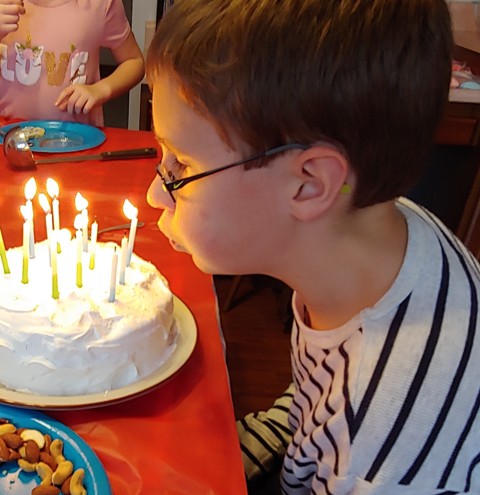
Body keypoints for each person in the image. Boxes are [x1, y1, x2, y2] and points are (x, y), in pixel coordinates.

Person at [145, 0, 480, 493]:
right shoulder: (372, 243)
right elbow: (310, 405)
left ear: (309, 185)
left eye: (180, 167)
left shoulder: (377, 453)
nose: (156, 192)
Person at [0, 0, 144, 126]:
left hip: (74, 142)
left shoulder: (100, 4)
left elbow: (134, 61)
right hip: (5, 139)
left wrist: (100, 90)